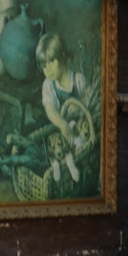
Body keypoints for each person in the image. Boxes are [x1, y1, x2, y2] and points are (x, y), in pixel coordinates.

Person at [35, 32, 87, 182]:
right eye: (44, 65)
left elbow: (89, 107)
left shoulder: (78, 80)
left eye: (51, 62)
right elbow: (50, 110)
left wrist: (80, 107)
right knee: (39, 152)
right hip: (58, 132)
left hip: (77, 131)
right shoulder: (48, 85)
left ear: (62, 57)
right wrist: (63, 124)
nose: (47, 69)